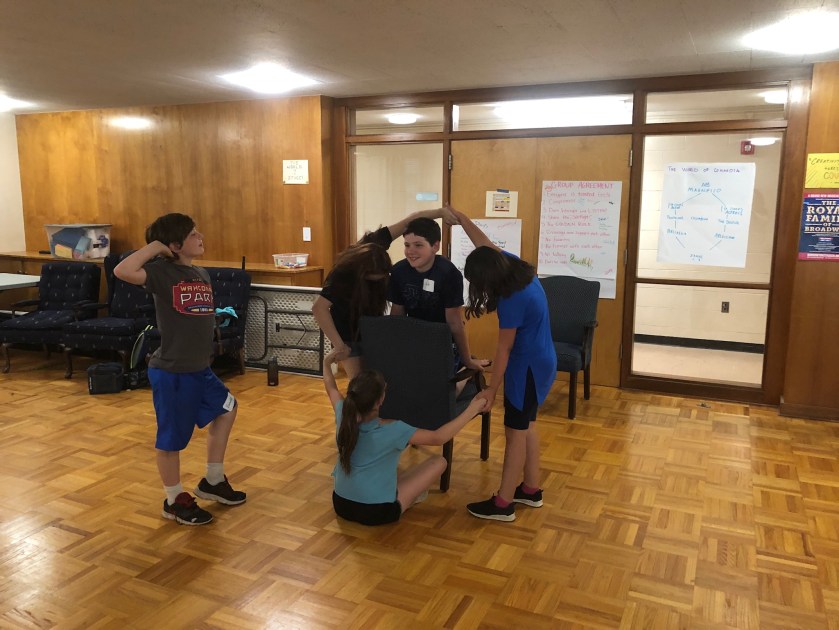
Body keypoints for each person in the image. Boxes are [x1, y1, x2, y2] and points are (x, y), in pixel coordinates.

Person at [114, 213, 245, 526]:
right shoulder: (161, 272)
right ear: (174, 245)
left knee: (227, 410)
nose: (201, 237)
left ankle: (213, 480)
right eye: (193, 234)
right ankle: (174, 500)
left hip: (200, 369)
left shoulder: (200, 272)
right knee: (171, 440)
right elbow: (122, 270)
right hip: (172, 372)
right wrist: (156, 247)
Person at [448, 205, 556, 522]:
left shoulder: (512, 300)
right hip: (542, 360)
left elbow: (504, 348)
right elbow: (483, 242)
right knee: (528, 425)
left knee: (514, 433)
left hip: (527, 369)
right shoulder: (513, 267)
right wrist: (460, 219)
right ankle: (531, 489)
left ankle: (503, 503)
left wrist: (491, 390)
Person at [322, 347, 487, 526]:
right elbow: (438, 438)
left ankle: (400, 493)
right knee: (439, 462)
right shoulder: (393, 428)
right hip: (378, 512)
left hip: (341, 504)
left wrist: (326, 362)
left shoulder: (343, 415)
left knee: (390, 471)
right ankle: (407, 498)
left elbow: (331, 387)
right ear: (379, 401)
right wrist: (472, 409)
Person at [312, 207, 460, 380]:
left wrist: (441, 213)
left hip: (372, 327)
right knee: (360, 382)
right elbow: (319, 309)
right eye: (373, 280)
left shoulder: (375, 242)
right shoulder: (343, 273)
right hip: (347, 332)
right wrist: (339, 345)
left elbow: (410, 220)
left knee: (379, 379)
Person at [388, 217, 485, 373]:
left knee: (440, 379)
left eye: (418, 245)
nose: (410, 251)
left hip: (442, 338)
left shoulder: (449, 274)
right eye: (407, 245)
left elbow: (454, 322)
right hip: (413, 336)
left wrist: (467, 360)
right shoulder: (399, 271)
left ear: (435, 246)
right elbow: (397, 315)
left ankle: (463, 372)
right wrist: (394, 350)